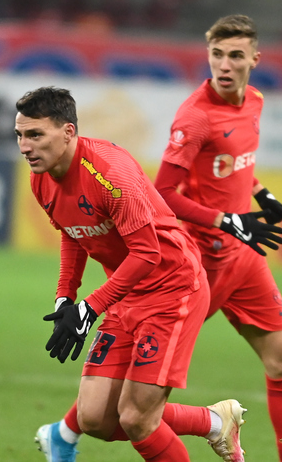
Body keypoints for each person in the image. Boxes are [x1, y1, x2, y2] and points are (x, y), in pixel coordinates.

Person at [36, 15, 282, 462]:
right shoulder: (195, 118)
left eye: (236, 56)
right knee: (133, 403)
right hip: (195, 257)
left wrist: (261, 193)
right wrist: (228, 220)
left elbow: (235, 164)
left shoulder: (253, 101)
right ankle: (68, 429)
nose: (225, 65)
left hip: (241, 256)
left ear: (255, 59)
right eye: (217, 55)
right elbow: (164, 193)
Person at [16, 86, 245, 462]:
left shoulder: (109, 174)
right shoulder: (41, 177)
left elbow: (147, 252)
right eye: (20, 135)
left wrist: (90, 308)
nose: (25, 146)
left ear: (68, 132)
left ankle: (208, 424)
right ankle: (213, 422)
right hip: (126, 292)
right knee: (93, 418)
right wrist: (65, 297)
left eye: (35, 135)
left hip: (173, 289)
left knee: (138, 419)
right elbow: (72, 232)